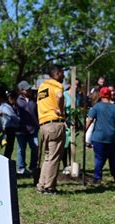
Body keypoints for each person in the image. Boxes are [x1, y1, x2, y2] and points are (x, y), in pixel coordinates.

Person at [36, 64, 66, 195]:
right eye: (62, 73)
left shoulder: (42, 87)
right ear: (57, 73)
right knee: (54, 158)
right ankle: (49, 187)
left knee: (48, 157)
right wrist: (61, 110)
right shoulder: (56, 85)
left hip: (43, 124)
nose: (64, 76)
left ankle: (41, 185)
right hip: (55, 123)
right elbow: (60, 96)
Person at [85, 87, 115, 184]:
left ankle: (97, 177)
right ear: (110, 95)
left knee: (99, 158)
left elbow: (90, 119)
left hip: (99, 137)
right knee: (114, 159)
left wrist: (84, 131)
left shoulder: (97, 107)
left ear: (101, 95)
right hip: (112, 137)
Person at [16, 80, 39, 175]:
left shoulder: (34, 99)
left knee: (35, 148)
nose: (29, 90)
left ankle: (33, 167)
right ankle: (21, 168)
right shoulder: (17, 101)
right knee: (21, 149)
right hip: (21, 130)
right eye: (27, 89)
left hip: (33, 129)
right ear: (22, 90)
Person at [0, 90, 20, 159]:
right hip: (8, 129)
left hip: (9, 129)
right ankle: (6, 160)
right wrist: (18, 119)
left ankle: (7, 159)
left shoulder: (9, 106)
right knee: (9, 148)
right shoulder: (6, 106)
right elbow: (13, 116)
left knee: (9, 148)